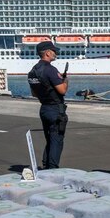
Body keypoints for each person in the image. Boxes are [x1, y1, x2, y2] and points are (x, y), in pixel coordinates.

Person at [27, 41, 68, 169]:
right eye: (54, 51)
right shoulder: (50, 70)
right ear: (47, 53)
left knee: (50, 139)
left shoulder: (33, 71)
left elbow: (34, 93)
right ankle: (52, 169)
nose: (55, 53)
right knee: (57, 139)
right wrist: (65, 79)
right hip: (55, 109)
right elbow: (62, 90)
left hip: (44, 108)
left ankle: (46, 166)